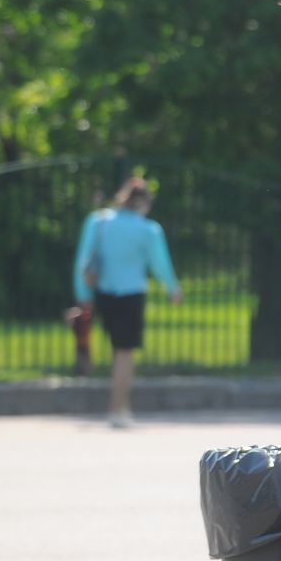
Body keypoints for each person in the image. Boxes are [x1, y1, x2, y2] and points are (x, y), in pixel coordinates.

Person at [72, 177, 181, 427]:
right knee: (124, 352)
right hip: (131, 293)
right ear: (144, 203)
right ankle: (117, 409)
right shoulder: (148, 229)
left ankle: (121, 405)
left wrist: (83, 295)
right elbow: (160, 263)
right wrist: (172, 288)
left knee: (114, 348)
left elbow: (83, 261)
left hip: (103, 293)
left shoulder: (98, 221)